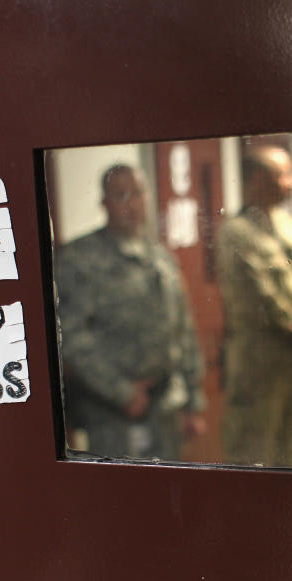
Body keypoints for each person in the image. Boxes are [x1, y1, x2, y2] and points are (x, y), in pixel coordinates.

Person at [55, 164, 205, 459]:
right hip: (113, 413)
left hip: (165, 406)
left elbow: (183, 330)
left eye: (137, 193)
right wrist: (121, 391)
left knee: (166, 493)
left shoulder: (160, 258)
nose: (132, 203)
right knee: (122, 498)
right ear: (104, 203)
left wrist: (193, 401)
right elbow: (71, 338)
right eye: (121, 195)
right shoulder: (80, 259)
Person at [216, 146, 292, 467]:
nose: (291, 182)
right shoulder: (235, 233)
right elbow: (259, 296)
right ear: (256, 179)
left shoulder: (287, 224)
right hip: (259, 365)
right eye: (283, 174)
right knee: (256, 455)